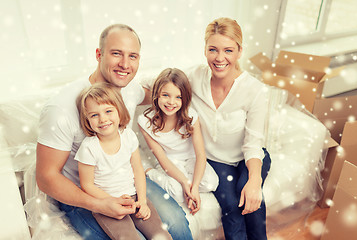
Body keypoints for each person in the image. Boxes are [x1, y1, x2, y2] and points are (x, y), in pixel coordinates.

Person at [36, 24, 192, 240]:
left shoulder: (129, 88)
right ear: (99, 54)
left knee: (175, 225)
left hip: (128, 181)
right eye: (116, 53)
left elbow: (160, 94)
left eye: (133, 56)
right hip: (84, 192)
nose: (125, 64)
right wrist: (99, 204)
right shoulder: (61, 108)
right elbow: (45, 177)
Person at [186, 17, 272, 240]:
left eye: (228, 50)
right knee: (233, 208)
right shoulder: (194, 77)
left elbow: (253, 145)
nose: (220, 58)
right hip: (215, 160)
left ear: (239, 51)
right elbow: (158, 85)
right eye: (213, 49)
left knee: (251, 197)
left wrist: (255, 181)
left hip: (249, 157)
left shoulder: (255, 90)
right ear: (205, 50)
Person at [75, 83, 172, 240]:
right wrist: (112, 201)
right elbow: (87, 185)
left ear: (119, 111)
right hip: (106, 203)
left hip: (133, 196)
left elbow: (138, 170)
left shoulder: (128, 136)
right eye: (94, 115)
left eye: (108, 111)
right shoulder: (88, 148)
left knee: (162, 236)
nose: (103, 119)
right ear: (86, 119)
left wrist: (142, 200)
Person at [137, 68, 219, 215]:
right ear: (156, 95)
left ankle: (187, 184)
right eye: (166, 95)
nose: (171, 102)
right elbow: (162, 159)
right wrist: (185, 182)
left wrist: (193, 188)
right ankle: (149, 172)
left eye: (178, 97)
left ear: (185, 98)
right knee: (178, 192)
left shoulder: (191, 116)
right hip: (168, 163)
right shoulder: (144, 121)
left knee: (211, 182)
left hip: (190, 159)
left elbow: (201, 155)